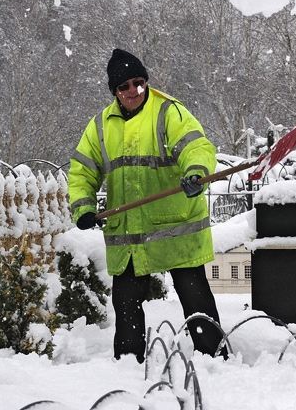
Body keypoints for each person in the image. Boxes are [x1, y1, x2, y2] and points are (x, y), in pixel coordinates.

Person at [68, 49, 224, 361]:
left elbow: (196, 146)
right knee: (125, 303)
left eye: (139, 83)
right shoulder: (100, 126)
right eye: (124, 86)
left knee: (195, 296)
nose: (133, 91)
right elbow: (82, 170)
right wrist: (83, 207)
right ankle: (128, 361)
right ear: (115, 91)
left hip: (175, 228)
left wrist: (195, 173)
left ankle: (213, 355)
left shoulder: (169, 112)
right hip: (128, 235)